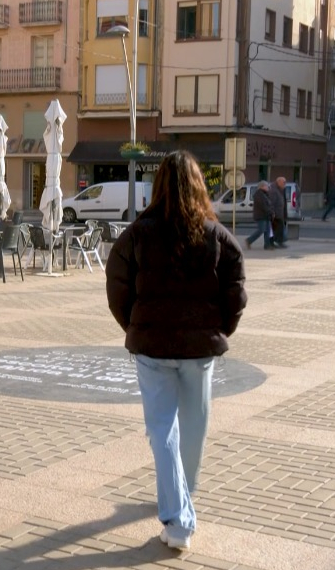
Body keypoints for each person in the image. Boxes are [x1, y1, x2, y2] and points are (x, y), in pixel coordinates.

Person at [106, 151, 247, 550]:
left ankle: (178, 514)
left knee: (162, 430)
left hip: (153, 349)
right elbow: (235, 290)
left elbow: (116, 283)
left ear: (160, 185)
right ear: (200, 185)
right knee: (194, 426)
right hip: (199, 351)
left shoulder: (138, 233)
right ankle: (181, 509)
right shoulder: (215, 235)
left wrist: (135, 325)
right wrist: (219, 328)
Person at [245, 181, 275, 250]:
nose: (268, 187)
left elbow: (269, 205)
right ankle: (249, 240)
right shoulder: (259, 195)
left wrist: (271, 212)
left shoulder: (265, 194)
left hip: (266, 216)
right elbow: (264, 206)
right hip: (261, 216)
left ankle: (267, 245)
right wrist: (270, 212)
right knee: (261, 230)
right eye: (267, 186)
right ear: (262, 186)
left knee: (267, 231)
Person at [270, 177, 289, 248]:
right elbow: (272, 203)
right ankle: (277, 242)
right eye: (283, 182)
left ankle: (280, 242)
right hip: (276, 214)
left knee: (280, 229)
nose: (285, 184)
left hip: (281, 213)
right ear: (278, 182)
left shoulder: (281, 189)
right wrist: (273, 213)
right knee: (277, 230)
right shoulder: (274, 190)